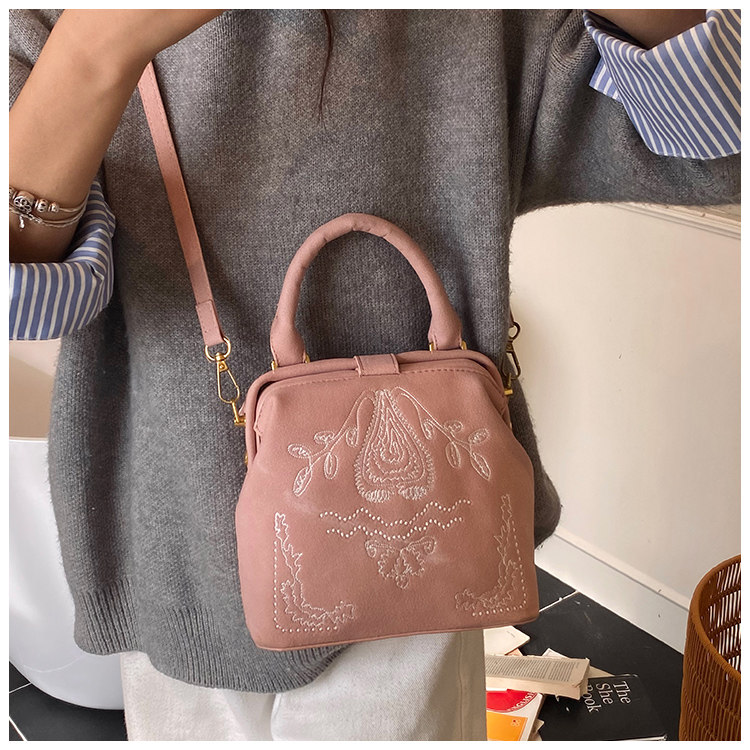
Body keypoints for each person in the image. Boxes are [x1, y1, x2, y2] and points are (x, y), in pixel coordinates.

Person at [9, 9, 740, 741]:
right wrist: (98, 46)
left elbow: (717, 149)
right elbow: (24, 303)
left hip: (424, 557)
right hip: (173, 544)